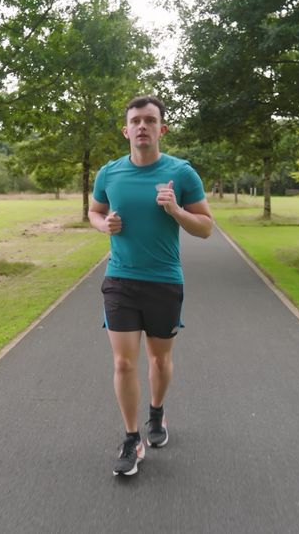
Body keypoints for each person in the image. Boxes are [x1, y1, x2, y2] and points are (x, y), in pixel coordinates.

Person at [88, 95, 214, 477]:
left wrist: (176, 210)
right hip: (121, 280)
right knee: (123, 362)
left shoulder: (182, 173)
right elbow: (94, 211)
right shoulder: (109, 173)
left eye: (150, 120)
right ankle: (132, 439)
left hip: (163, 281)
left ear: (162, 128)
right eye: (135, 121)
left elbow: (206, 228)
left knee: (159, 360)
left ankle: (156, 413)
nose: (142, 126)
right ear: (125, 131)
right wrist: (104, 225)